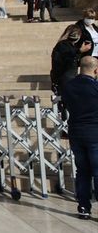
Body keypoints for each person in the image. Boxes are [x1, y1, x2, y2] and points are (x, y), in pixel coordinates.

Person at [61, 56, 98, 220]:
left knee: (82, 170)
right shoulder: (95, 87)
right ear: (96, 70)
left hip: (76, 131)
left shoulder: (69, 86)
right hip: (94, 131)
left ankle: (84, 206)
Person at [50, 25, 93, 104]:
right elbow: (67, 57)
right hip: (64, 77)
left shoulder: (71, 46)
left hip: (69, 76)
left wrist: (83, 50)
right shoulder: (63, 45)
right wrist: (79, 50)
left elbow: (75, 60)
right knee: (66, 102)